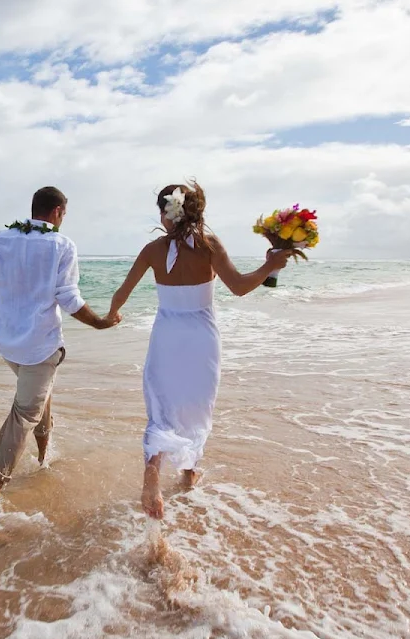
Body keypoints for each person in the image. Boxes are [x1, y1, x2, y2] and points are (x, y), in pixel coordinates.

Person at [106, 182, 291, 519]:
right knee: (196, 405)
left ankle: (152, 475)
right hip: (202, 337)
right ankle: (190, 475)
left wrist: (111, 315)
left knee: (160, 407)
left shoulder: (151, 250)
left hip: (167, 335)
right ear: (195, 211)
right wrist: (270, 266)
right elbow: (237, 287)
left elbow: (121, 292)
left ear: (166, 214)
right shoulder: (209, 244)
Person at [0, 186, 120, 513]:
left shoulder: (1, 239)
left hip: (8, 344)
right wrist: (99, 322)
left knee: (39, 397)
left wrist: (5, 314)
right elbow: (67, 297)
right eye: (64, 214)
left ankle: (43, 458)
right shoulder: (62, 245)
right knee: (25, 411)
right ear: (56, 212)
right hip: (40, 346)